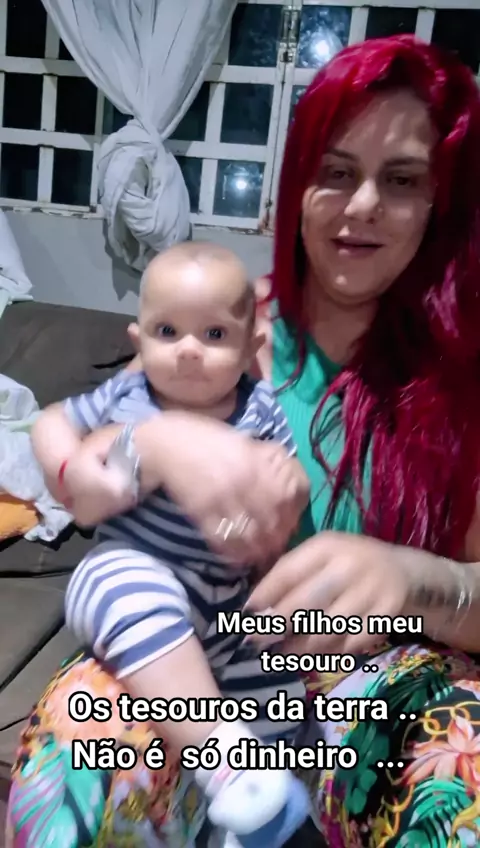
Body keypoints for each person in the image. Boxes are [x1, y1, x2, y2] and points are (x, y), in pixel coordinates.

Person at [7, 32, 480, 848]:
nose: (362, 205)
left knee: (459, 764)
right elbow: (70, 474)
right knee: (80, 738)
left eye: (401, 180)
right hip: (202, 668)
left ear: (440, 200)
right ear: (297, 188)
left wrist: (420, 581)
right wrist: (154, 445)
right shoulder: (216, 327)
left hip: (368, 688)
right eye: (336, 172)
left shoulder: (462, 381)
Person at [30, 241, 311, 847]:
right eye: (167, 332)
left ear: (250, 347)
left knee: (280, 693)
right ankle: (226, 763)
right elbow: (52, 423)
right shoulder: (127, 399)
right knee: (120, 582)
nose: (188, 349)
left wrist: (280, 489)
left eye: (214, 334)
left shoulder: (261, 411)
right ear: (139, 340)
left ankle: (248, 813)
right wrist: (70, 468)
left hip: (228, 600)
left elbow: (279, 499)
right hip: (137, 572)